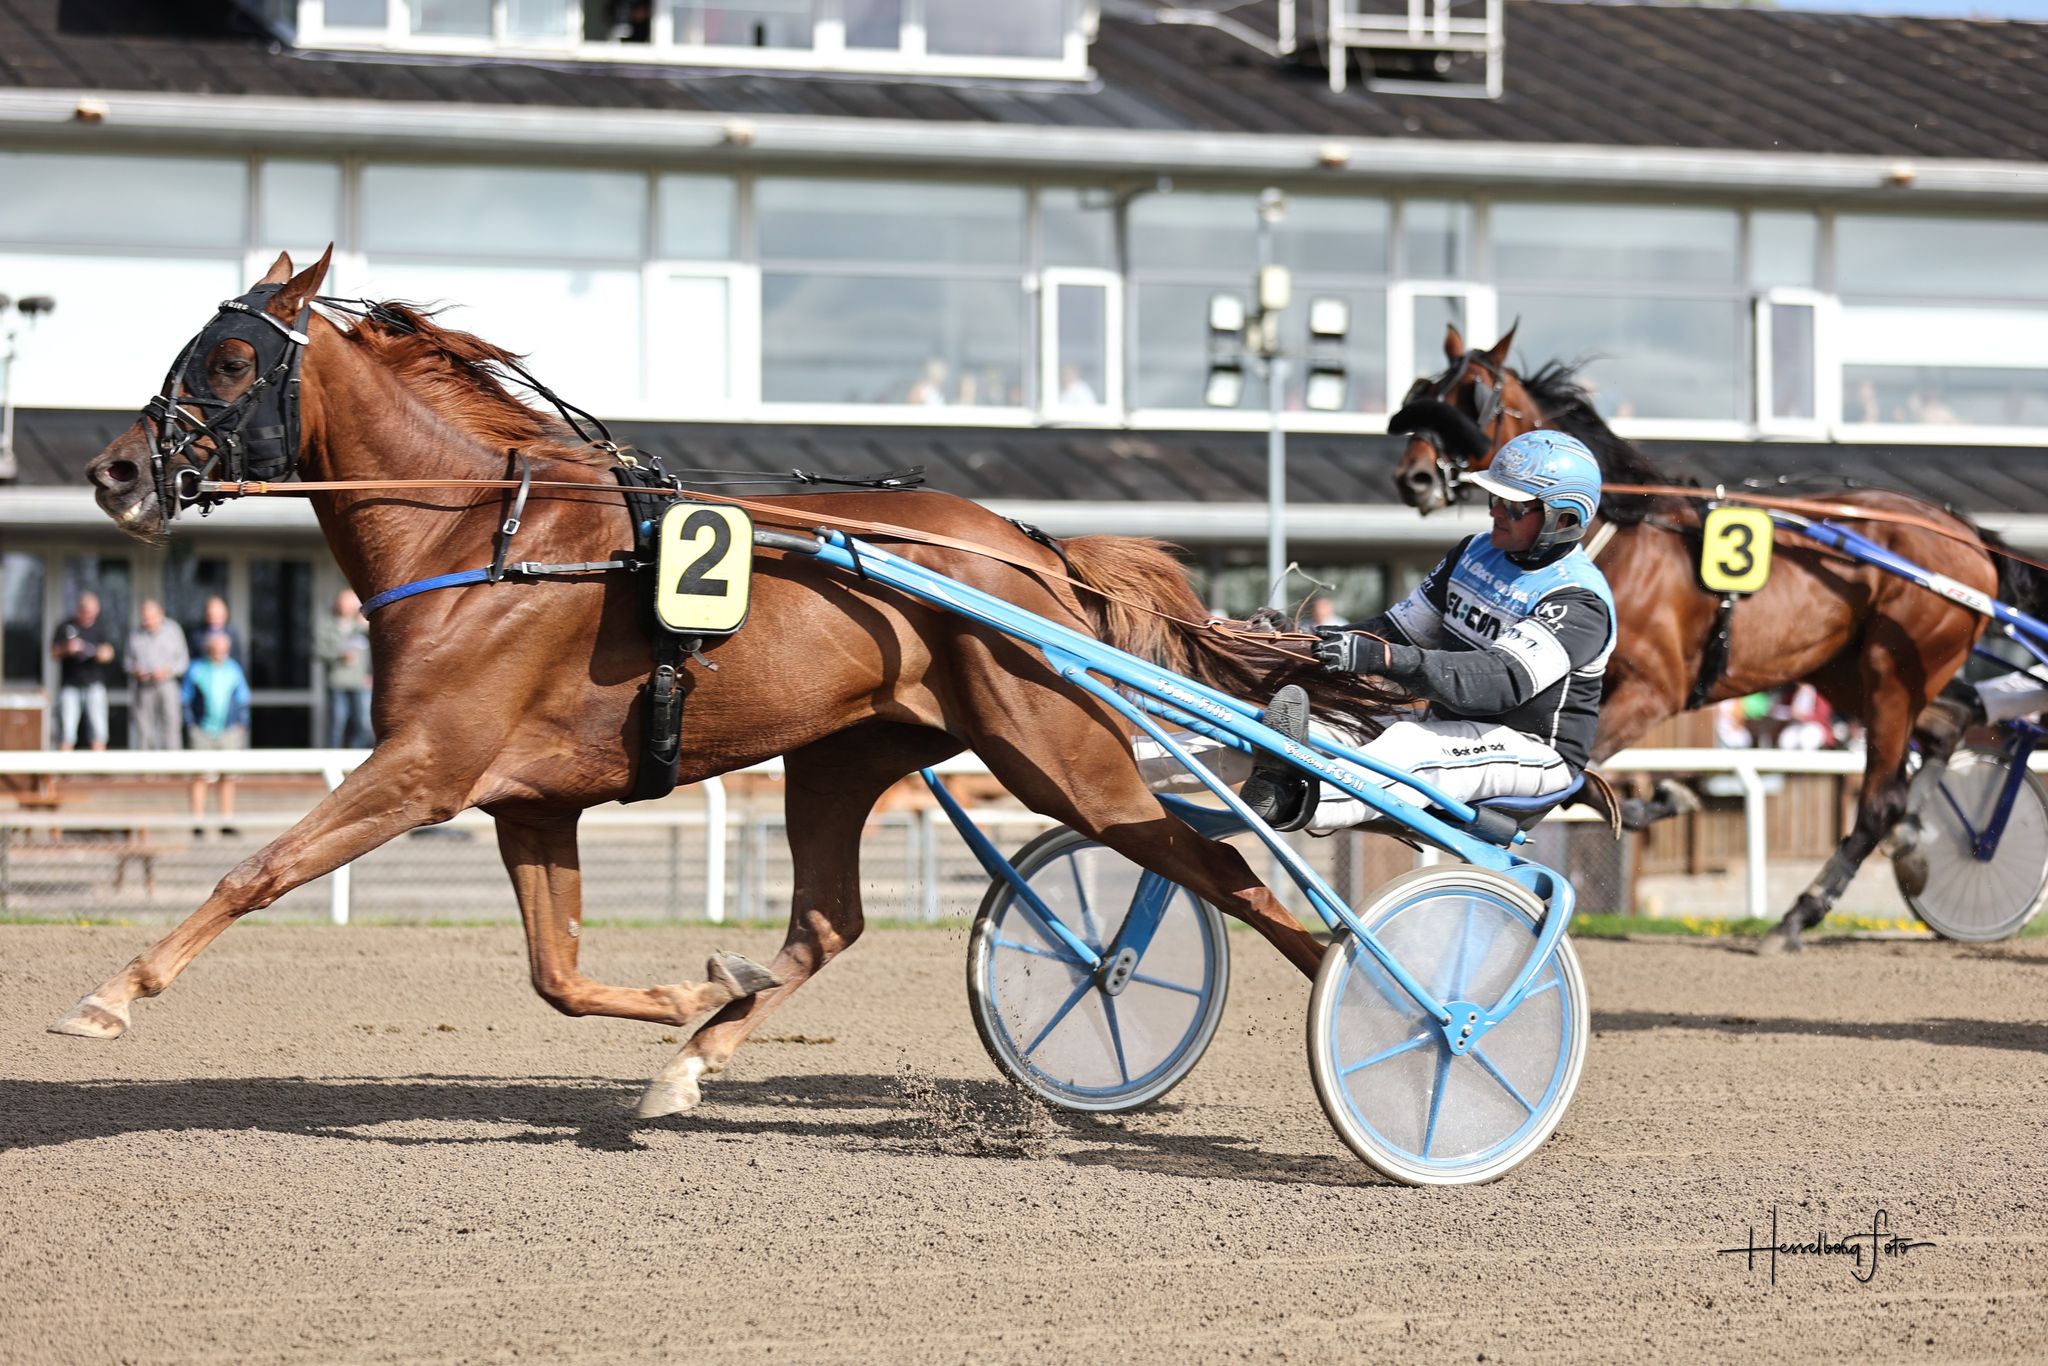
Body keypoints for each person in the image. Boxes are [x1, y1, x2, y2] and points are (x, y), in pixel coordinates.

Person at [1242, 430, 1616, 832]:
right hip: (1448, 722)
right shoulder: (1474, 550)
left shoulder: (1578, 601)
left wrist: (1383, 659)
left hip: (1534, 749)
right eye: (1495, 499)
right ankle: (1170, 768)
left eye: (1514, 506)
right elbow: (1397, 631)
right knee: (1331, 720)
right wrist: (1304, 639)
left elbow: (1499, 681)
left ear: (1564, 519)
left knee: (1412, 747)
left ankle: (1289, 802)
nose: (1496, 512)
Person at [183, 630, 250, 836]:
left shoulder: (233, 669)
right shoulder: (196, 669)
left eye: (222, 650)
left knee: (228, 777)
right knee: (200, 777)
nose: (219, 653)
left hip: (228, 731)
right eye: (215, 649)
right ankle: (198, 821)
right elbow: (185, 698)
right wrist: (190, 724)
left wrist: (242, 723)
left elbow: (243, 699)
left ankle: (226, 820)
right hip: (202, 731)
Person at [49, 591, 119, 752]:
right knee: (67, 730)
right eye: (85, 612)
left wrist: (94, 651)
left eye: (92, 612)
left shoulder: (102, 627)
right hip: (70, 685)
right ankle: (64, 774)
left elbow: (110, 654)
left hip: (94, 684)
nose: (88, 616)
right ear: (79, 610)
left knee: (98, 729)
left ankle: (99, 772)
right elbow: (53, 653)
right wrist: (67, 649)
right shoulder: (65, 626)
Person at [126, 598, 189, 751]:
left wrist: (167, 671)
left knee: (171, 725)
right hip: (144, 687)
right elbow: (127, 663)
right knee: (143, 728)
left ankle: (173, 769)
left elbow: (183, 661)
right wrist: (136, 671)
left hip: (168, 684)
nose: (147, 621)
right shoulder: (135, 634)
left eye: (151, 617)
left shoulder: (173, 631)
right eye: (144, 617)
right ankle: (146, 771)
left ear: (161, 615)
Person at [316, 588, 374, 749]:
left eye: (351, 602)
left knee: (364, 725)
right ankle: (332, 761)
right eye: (344, 602)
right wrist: (339, 655)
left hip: (362, 683)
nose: (346, 606)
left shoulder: (364, 626)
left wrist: (371, 674)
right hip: (337, 681)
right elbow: (319, 650)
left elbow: (378, 651)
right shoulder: (327, 626)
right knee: (337, 724)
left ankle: (355, 759)